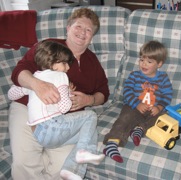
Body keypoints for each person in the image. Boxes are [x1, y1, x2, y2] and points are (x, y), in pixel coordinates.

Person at [8, 8, 110, 180]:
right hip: (29, 108)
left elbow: (104, 92)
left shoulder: (92, 62)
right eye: (78, 26)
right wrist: (37, 84)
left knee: (61, 168)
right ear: (68, 28)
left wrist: (89, 100)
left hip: (65, 120)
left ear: (92, 37)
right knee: (25, 163)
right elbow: (19, 71)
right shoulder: (48, 46)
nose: (82, 33)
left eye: (88, 30)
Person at [103, 40, 173, 163]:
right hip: (133, 107)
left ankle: (139, 129)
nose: (143, 64)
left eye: (149, 61)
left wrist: (159, 107)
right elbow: (127, 91)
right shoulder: (134, 75)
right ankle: (112, 144)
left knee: (165, 118)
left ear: (159, 64)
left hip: (152, 110)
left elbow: (167, 95)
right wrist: (136, 104)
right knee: (125, 119)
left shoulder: (163, 78)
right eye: (141, 60)